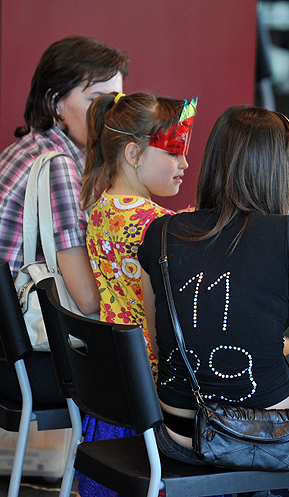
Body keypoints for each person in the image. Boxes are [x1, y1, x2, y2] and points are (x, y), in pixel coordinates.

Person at [137, 105, 289, 496]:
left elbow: (158, 342)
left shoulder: (161, 233)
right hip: (265, 435)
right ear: (279, 171)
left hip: (176, 435)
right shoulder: (287, 235)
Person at [0, 35, 128, 405]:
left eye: (116, 101)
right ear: (55, 103)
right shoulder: (58, 166)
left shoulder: (31, 147)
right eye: (96, 100)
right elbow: (87, 300)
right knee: (153, 368)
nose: (109, 114)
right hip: (30, 362)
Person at [81, 91, 197, 372]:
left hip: (116, 367)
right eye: (173, 153)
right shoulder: (159, 227)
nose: (185, 163)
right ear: (133, 154)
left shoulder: (100, 209)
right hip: (157, 372)